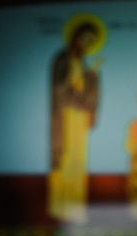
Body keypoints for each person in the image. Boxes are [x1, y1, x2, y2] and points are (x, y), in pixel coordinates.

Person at [47, 18, 101, 222]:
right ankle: (60, 207)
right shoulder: (62, 60)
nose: (85, 44)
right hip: (65, 119)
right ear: (75, 37)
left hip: (79, 121)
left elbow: (87, 92)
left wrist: (93, 74)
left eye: (90, 41)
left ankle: (75, 208)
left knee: (77, 163)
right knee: (64, 160)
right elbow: (62, 92)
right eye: (83, 38)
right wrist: (86, 83)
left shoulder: (82, 63)